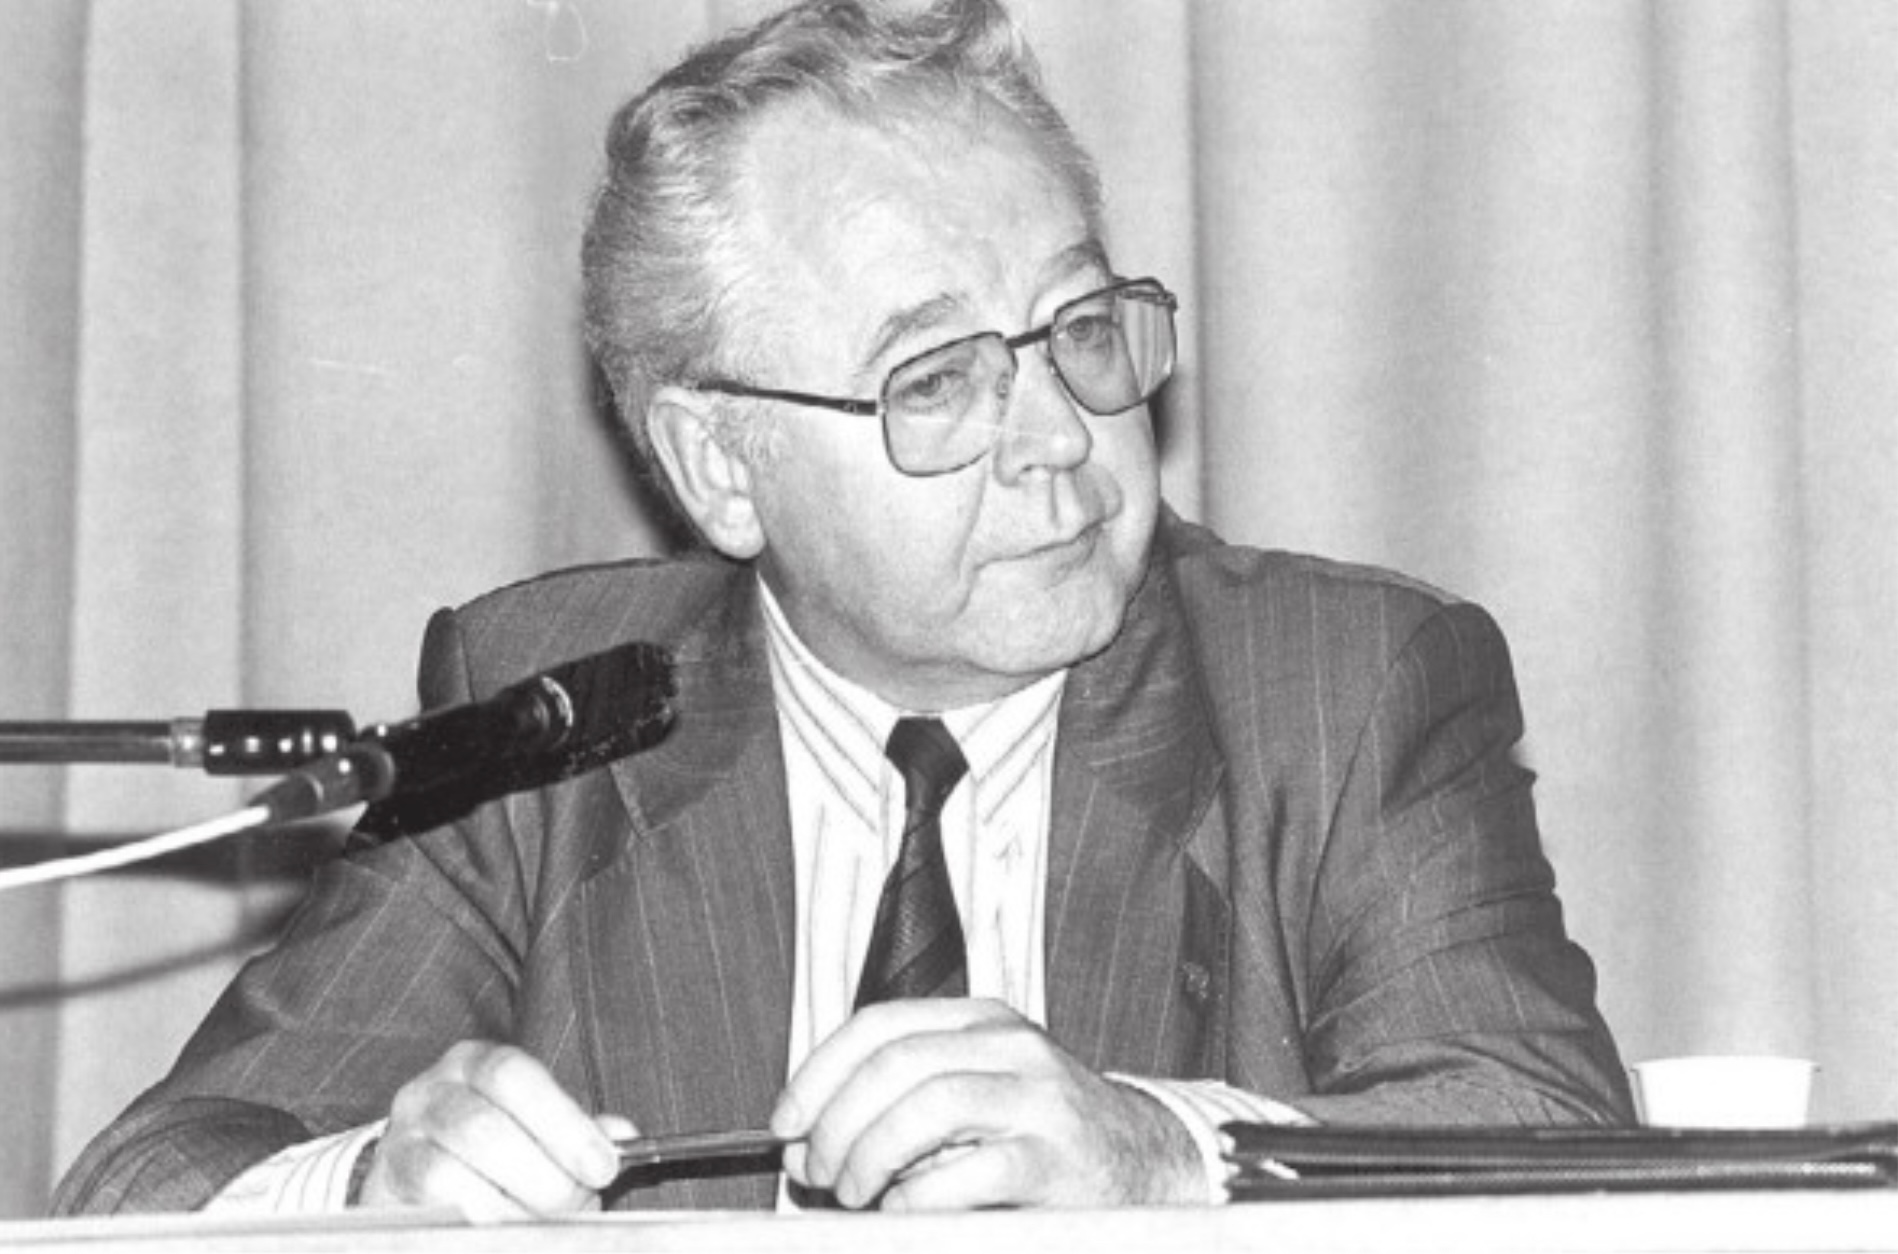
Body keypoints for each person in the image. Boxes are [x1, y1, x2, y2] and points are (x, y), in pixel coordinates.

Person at [54, 0, 1631, 1220]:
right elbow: (147, 1175)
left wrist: (1161, 1155)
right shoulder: (553, 715)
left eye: (1082, 327)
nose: (1059, 435)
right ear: (718, 466)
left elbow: (1557, 1137)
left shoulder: (1337, 688)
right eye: (936, 380)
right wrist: (371, 1186)